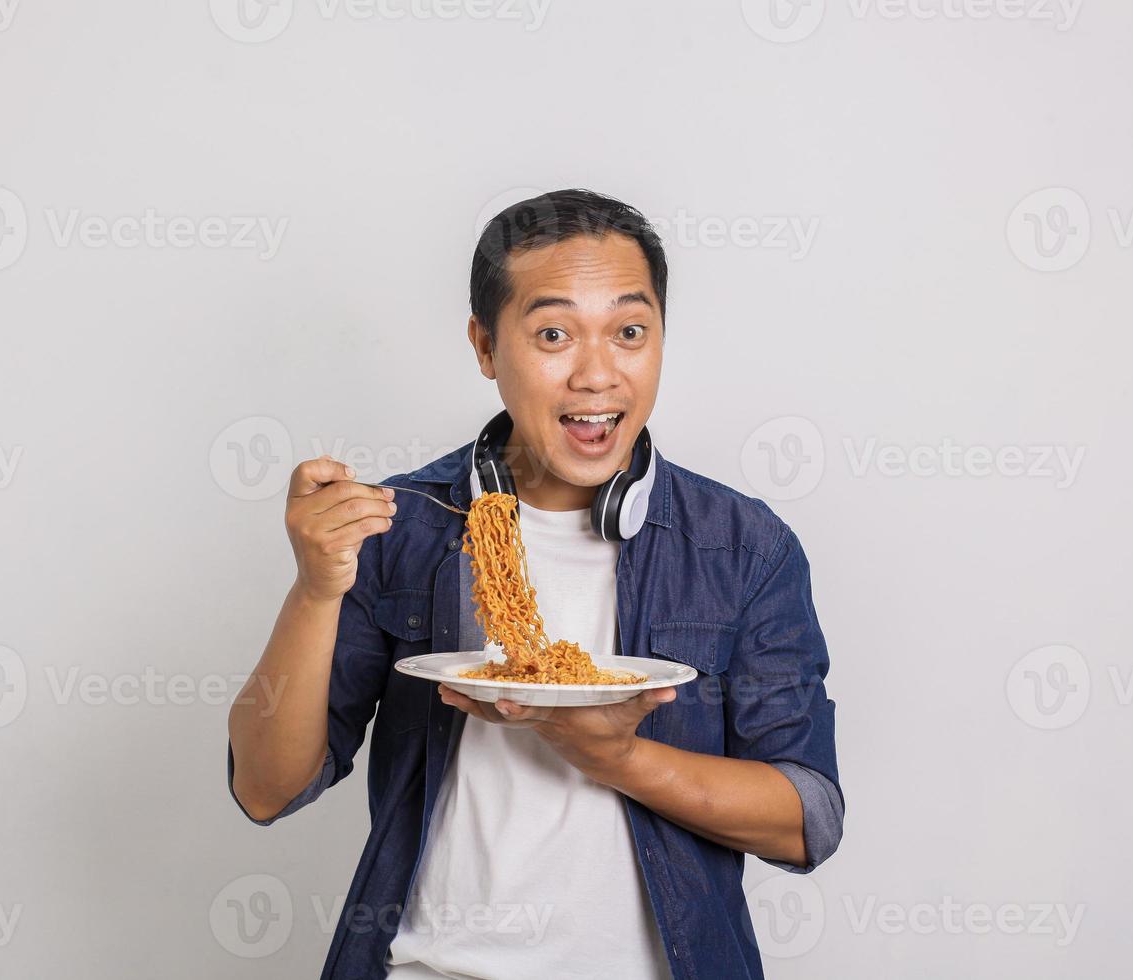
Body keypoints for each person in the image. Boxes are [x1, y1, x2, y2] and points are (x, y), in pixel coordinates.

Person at [227, 189, 844, 980]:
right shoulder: (400, 527)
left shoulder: (742, 548)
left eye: (629, 332)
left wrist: (615, 756)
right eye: (552, 333)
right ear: (486, 348)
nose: (596, 374)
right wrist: (315, 590)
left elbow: (808, 820)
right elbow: (266, 787)